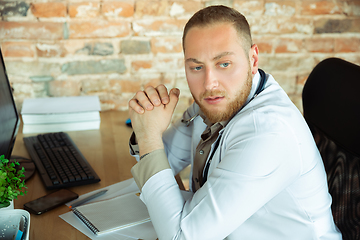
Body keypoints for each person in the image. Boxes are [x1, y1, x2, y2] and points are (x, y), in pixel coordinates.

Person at [128, 5, 342, 240]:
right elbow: (158, 160)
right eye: (197, 67)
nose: (210, 84)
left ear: (253, 59)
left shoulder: (269, 133)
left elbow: (181, 236)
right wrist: (146, 130)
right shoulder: (215, 103)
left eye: (224, 64)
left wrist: (149, 136)